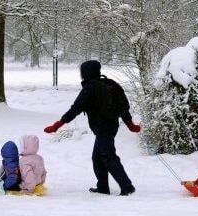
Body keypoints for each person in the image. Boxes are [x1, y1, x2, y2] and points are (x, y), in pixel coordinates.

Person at [44, 60, 142, 196]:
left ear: (86, 73)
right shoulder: (110, 84)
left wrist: (58, 125)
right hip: (111, 126)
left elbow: (75, 109)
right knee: (97, 157)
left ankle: (127, 187)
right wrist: (130, 125)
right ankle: (102, 187)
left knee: (108, 157)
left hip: (103, 129)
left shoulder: (90, 88)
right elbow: (122, 107)